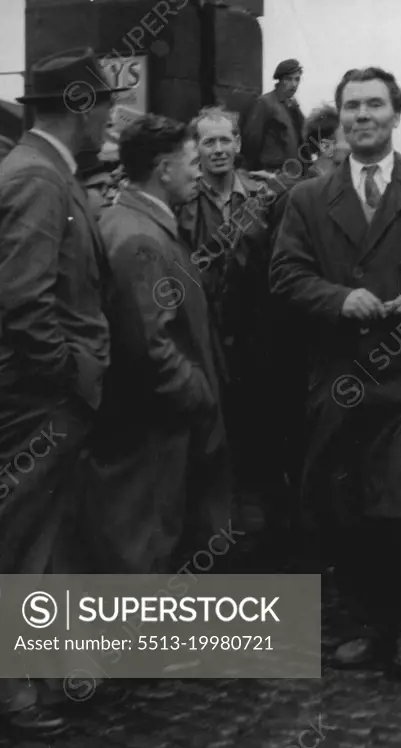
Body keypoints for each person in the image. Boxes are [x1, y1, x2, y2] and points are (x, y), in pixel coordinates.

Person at [270, 66, 401, 671]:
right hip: (344, 377)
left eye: (374, 105)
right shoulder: (309, 198)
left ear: (396, 113)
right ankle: (372, 620)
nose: (362, 116)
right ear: (340, 119)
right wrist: (338, 299)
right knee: (349, 510)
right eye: (351, 107)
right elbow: (285, 275)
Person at [0, 46, 125, 737]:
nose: (110, 117)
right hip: (36, 401)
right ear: (79, 107)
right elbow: (24, 301)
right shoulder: (38, 179)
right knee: (18, 543)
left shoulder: (45, 172)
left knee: (40, 543)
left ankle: (39, 672)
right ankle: (11, 692)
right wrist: (67, 379)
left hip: (44, 398)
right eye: (103, 102)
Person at [65, 114, 228, 574]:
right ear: (163, 168)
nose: (199, 171)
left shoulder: (133, 224)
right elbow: (149, 346)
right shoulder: (140, 238)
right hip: (152, 432)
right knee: (143, 549)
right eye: (192, 161)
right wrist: (199, 393)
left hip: (148, 429)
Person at [178, 106, 283, 537]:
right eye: (209, 141)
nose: (218, 150)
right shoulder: (182, 199)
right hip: (204, 337)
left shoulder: (267, 196)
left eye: (225, 140)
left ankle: (260, 526)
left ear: (239, 144)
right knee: (206, 434)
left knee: (259, 431)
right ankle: (212, 528)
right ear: (196, 149)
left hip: (258, 339)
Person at [242, 58, 305, 172]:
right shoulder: (265, 103)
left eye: (297, 79)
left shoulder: (293, 107)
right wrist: (253, 170)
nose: (294, 84)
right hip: (271, 171)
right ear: (280, 80)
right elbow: (252, 140)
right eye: (289, 79)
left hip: (291, 173)